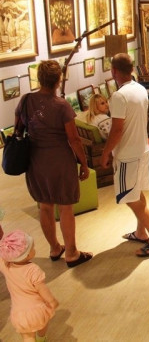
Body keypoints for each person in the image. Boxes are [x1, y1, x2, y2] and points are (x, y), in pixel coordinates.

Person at [15, 60, 92, 268]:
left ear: (39, 79)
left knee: (45, 205)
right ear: (59, 80)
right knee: (66, 207)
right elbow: (74, 139)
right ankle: (72, 253)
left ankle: (54, 248)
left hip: (36, 161)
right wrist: (84, 164)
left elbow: (18, 129)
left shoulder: (25, 100)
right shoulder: (62, 105)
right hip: (60, 161)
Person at [100, 53, 149, 258]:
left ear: (114, 71)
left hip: (127, 155)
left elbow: (116, 130)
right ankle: (141, 232)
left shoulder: (119, 96)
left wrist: (105, 152)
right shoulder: (140, 89)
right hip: (141, 149)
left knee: (130, 198)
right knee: (136, 193)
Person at [0, 230, 59, 342]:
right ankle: (41, 338)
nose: (34, 250)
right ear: (27, 254)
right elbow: (42, 289)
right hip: (37, 311)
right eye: (33, 248)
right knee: (43, 323)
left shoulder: (5, 266)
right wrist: (52, 301)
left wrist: (6, 247)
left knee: (27, 337)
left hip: (18, 314)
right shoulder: (33, 270)